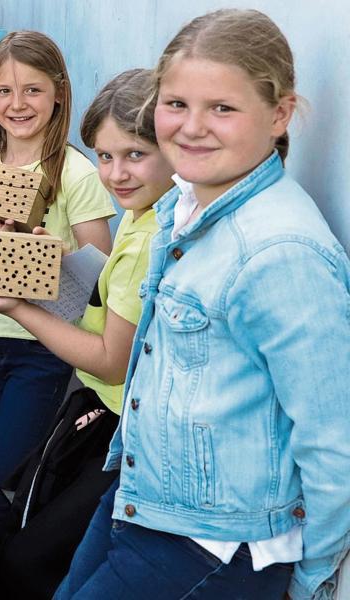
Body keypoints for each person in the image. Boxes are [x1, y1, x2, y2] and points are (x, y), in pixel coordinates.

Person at [57, 9, 350, 600]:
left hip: (212, 543)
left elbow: (331, 440)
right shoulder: (184, 207)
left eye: (223, 108)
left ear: (279, 114)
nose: (191, 128)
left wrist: (313, 579)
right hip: (147, 500)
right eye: (176, 104)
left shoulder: (280, 251)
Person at [0, 68, 170, 599]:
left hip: (115, 424)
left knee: (27, 551)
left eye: (135, 155)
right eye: (105, 156)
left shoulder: (149, 234)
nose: (117, 173)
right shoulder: (145, 218)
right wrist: (26, 259)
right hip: (97, 411)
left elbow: (110, 359)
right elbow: (96, 300)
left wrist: (16, 306)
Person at [0, 30, 116, 597]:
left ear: (59, 94)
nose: (18, 104)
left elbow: (103, 275)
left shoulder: (76, 174)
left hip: (41, 349)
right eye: (6, 90)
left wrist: (45, 250)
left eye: (33, 90)